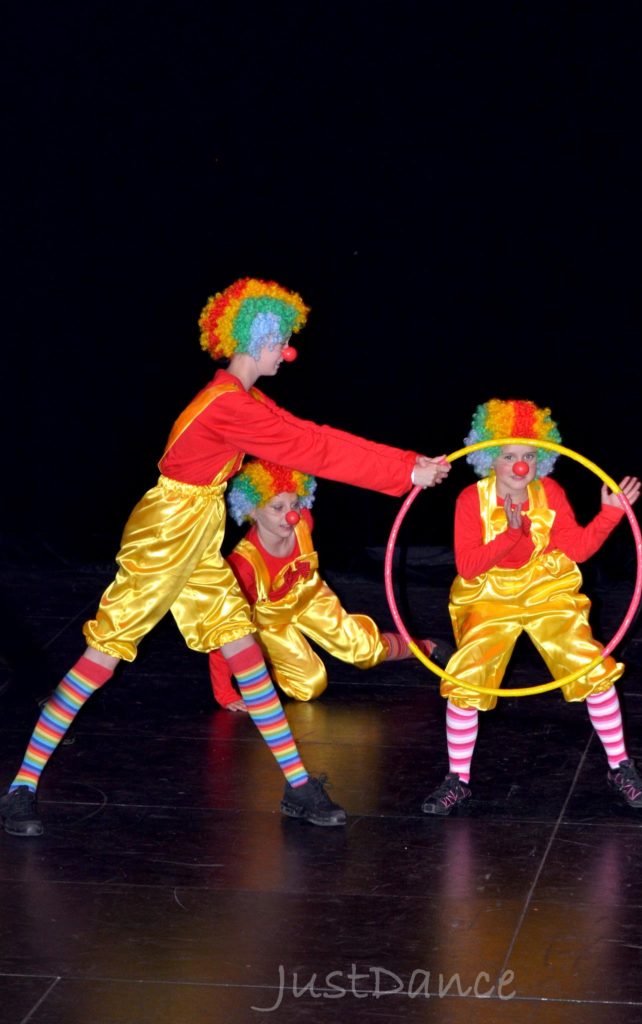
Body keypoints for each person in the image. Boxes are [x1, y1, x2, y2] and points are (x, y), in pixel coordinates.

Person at [0, 277, 449, 837]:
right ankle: (21, 786)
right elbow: (310, 449)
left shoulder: (240, 399)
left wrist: (407, 464)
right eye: (282, 340)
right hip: (166, 535)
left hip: (198, 529)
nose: (288, 352)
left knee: (241, 644)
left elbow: (308, 433)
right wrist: (405, 472)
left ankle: (298, 786)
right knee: (104, 655)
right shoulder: (226, 406)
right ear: (259, 339)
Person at [421, 398, 642, 816]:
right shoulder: (471, 499)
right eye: (509, 456)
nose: (520, 466)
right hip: (489, 593)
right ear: (489, 457)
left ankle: (621, 767)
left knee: (589, 663)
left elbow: (577, 549)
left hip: (546, 587)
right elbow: (468, 566)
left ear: (542, 457)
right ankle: (458, 779)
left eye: (529, 456)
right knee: (466, 674)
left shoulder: (549, 492)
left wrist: (609, 515)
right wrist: (511, 534)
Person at [209, 458, 445, 710]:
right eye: (277, 507)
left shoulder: (303, 523)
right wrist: (225, 692)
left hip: (311, 597)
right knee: (309, 686)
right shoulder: (242, 567)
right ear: (252, 510)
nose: (291, 515)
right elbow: (224, 628)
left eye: (294, 504)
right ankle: (267, 659)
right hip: (270, 621)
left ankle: (424, 647)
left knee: (366, 650)